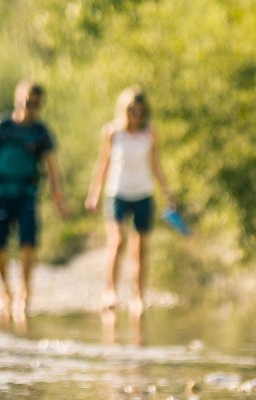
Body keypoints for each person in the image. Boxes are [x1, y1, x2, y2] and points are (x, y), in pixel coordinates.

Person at [0, 80, 69, 323]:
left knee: (28, 243)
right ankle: (6, 291)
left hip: (27, 192)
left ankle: (25, 292)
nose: (31, 107)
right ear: (17, 99)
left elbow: (52, 165)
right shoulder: (2, 125)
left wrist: (59, 196)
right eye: (27, 102)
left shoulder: (41, 131)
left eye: (36, 104)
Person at [85, 86, 177, 313]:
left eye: (140, 111)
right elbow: (103, 163)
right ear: (124, 110)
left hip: (143, 192)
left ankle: (138, 295)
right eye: (131, 111)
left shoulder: (150, 132)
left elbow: (156, 164)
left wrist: (167, 193)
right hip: (117, 192)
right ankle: (110, 291)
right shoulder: (112, 132)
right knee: (117, 241)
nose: (136, 116)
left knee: (141, 246)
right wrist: (94, 193)